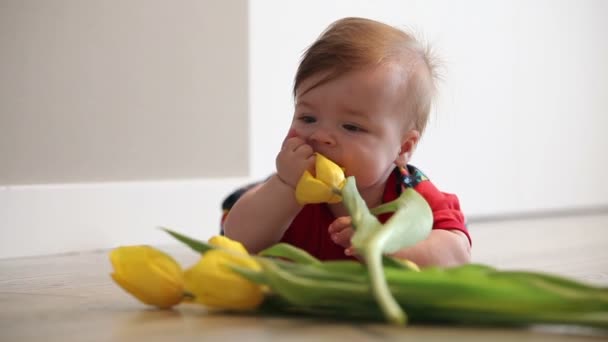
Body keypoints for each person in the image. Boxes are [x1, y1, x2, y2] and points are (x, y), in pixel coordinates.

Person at [222, 17, 471, 267]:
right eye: (307, 118)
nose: (320, 136)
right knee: (241, 203)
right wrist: (285, 185)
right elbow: (238, 239)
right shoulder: (293, 192)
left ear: (403, 148)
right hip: (269, 205)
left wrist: (383, 247)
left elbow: (456, 255)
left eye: (351, 127)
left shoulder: (410, 195)